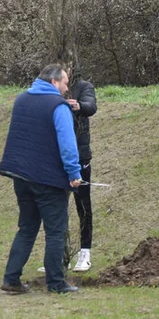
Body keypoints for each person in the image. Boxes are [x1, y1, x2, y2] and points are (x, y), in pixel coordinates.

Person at [0, 63, 83, 295]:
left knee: (26, 228)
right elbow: (67, 145)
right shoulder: (58, 106)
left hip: (21, 176)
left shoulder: (21, 100)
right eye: (66, 83)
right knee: (56, 231)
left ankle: (11, 279)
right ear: (54, 82)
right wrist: (74, 174)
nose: (67, 89)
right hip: (48, 180)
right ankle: (56, 283)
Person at [67, 67, 97, 272]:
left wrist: (79, 106)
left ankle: (85, 252)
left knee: (83, 206)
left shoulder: (84, 86)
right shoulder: (53, 86)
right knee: (56, 207)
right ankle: (59, 254)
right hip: (56, 157)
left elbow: (91, 106)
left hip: (80, 156)